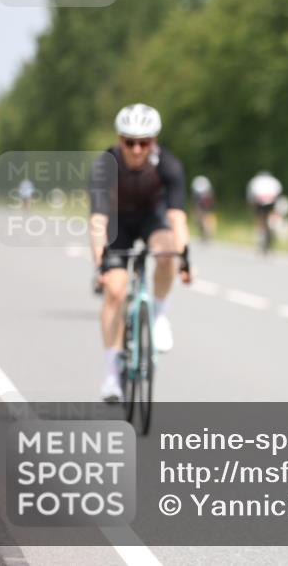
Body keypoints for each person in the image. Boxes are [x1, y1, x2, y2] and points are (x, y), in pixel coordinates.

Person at [89, 103, 191, 402]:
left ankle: (159, 315)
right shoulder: (104, 165)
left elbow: (177, 218)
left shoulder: (169, 165)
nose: (136, 149)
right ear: (119, 139)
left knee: (166, 252)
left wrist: (184, 257)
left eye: (143, 142)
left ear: (153, 141)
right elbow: (97, 220)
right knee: (116, 292)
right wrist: (100, 264)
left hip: (151, 218)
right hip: (117, 222)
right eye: (129, 141)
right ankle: (111, 375)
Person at [245, 170, 283, 253]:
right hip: (272, 200)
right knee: (273, 213)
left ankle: (260, 235)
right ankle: (274, 225)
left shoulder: (255, 181)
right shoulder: (274, 180)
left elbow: (250, 196)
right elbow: (279, 194)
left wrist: (251, 206)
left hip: (260, 201)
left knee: (260, 218)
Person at [190, 175, 217, 241]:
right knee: (200, 216)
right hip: (201, 203)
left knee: (207, 216)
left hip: (205, 203)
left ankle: (208, 231)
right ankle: (205, 231)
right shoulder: (200, 190)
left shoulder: (207, 193)